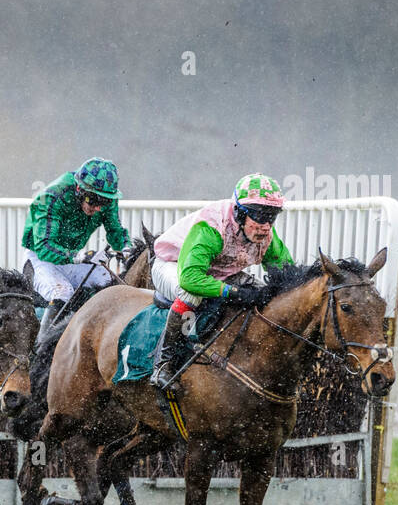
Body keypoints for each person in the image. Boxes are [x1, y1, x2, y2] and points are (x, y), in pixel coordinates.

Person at [149, 172, 295, 388]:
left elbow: (287, 276)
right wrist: (231, 292)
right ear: (240, 213)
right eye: (260, 216)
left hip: (217, 270)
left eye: (271, 217)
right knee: (192, 294)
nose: (266, 226)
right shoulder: (212, 228)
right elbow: (190, 278)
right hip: (173, 265)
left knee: (259, 289)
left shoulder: (267, 237)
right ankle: (164, 364)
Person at [22, 157, 131, 340]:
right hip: (41, 259)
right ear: (79, 189)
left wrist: (126, 248)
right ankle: (41, 349)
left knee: (110, 283)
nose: (97, 207)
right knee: (62, 291)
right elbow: (44, 246)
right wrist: (79, 256)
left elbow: (115, 230)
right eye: (93, 200)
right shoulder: (52, 196)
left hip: (71, 258)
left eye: (103, 202)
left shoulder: (106, 201)